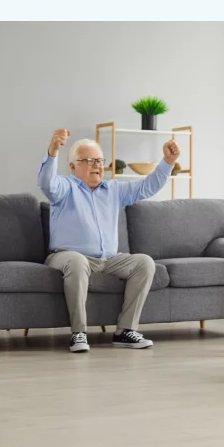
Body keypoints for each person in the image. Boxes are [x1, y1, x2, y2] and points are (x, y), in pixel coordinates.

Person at [37, 129, 180, 353]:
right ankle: (79, 333)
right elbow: (46, 184)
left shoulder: (113, 189)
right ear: (73, 167)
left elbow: (146, 187)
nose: (97, 165)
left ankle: (125, 331)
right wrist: (53, 151)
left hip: (109, 259)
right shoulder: (65, 187)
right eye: (89, 160)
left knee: (144, 262)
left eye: (100, 160)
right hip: (66, 256)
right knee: (76, 261)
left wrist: (168, 162)